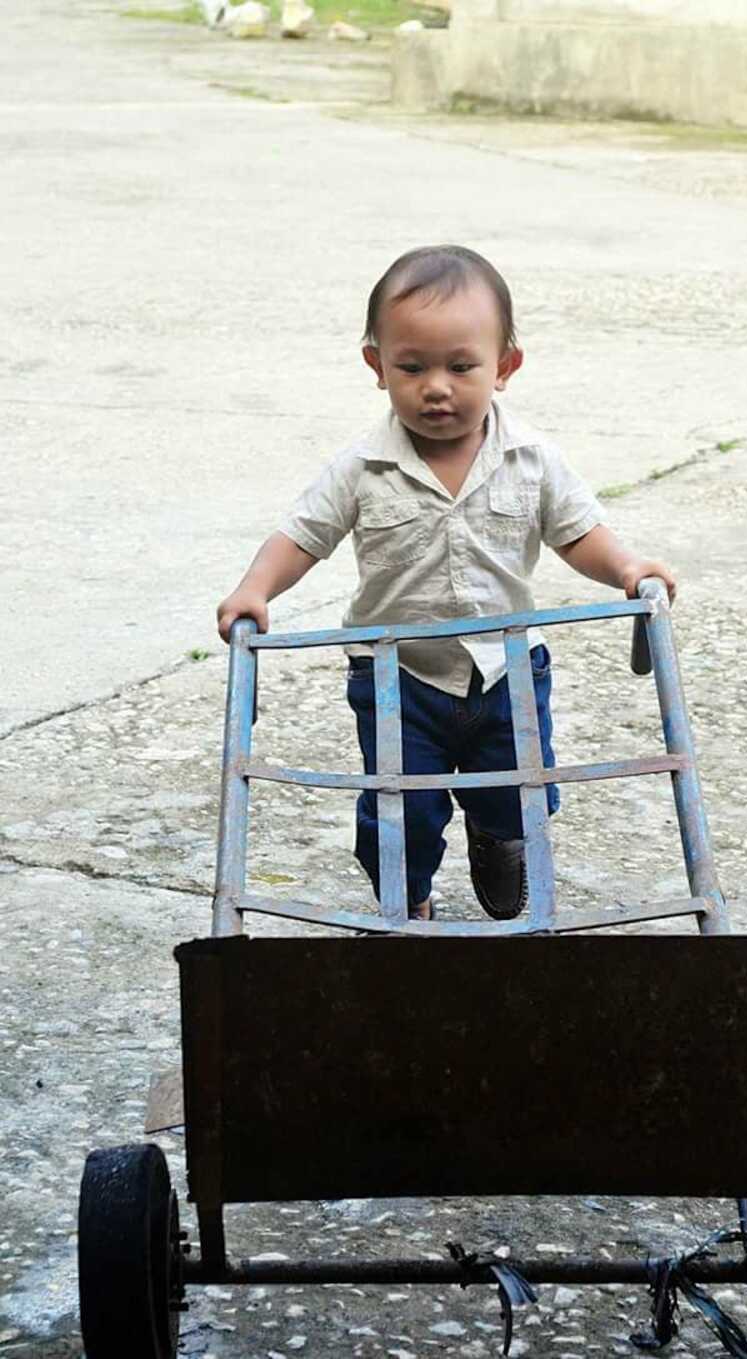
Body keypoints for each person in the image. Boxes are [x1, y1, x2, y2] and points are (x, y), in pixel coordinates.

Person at [217, 245, 676, 923]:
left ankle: (498, 839)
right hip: (398, 678)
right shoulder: (361, 469)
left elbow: (578, 532)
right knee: (401, 811)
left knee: (516, 795)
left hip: (507, 674)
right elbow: (301, 535)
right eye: (412, 367)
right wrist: (257, 587)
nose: (437, 386)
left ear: (505, 367)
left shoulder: (533, 460)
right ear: (376, 367)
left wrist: (629, 568)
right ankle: (410, 905)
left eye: (462, 367)